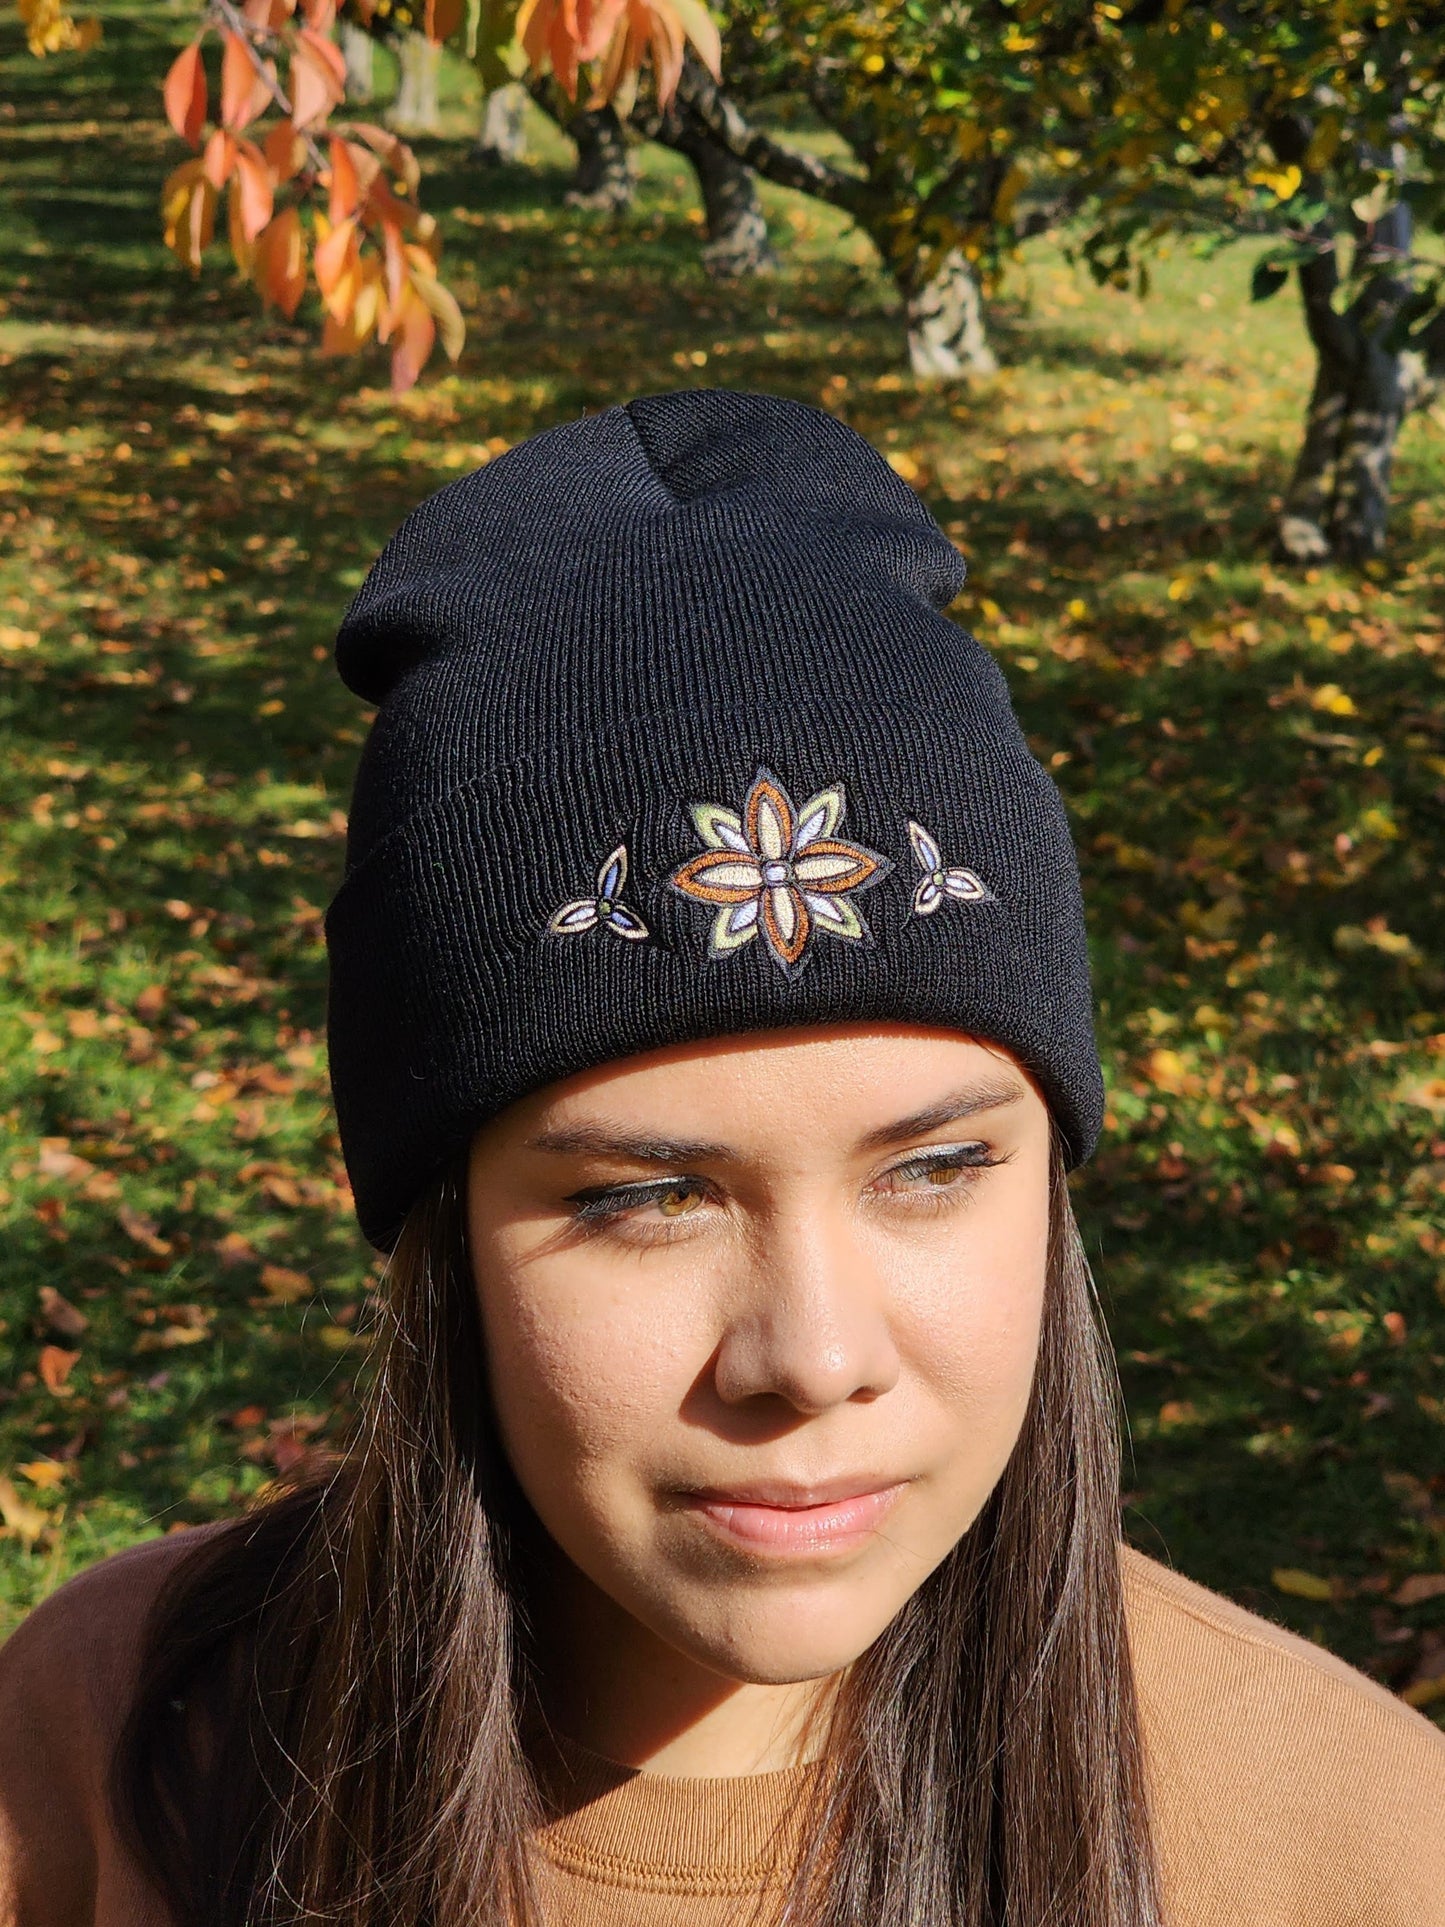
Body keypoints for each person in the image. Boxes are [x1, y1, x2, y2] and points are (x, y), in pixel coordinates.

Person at [1, 390, 1441, 1927]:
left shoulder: (1351, 1845)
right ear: (446, 1228)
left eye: (934, 1170)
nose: (811, 1358)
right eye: (644, 1198)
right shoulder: (118, 1732)